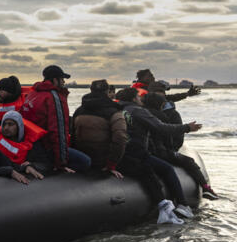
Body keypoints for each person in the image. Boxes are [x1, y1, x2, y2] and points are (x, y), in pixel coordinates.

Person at [117, 87, 202, 220]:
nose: (141, 99)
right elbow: (161, 128)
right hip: (136, 153)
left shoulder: (117, 109)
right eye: (139, 97)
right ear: (134, 99)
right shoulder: (138, 111)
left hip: (119, 155)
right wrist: (187, 128)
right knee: (167, 169)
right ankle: (182, 204)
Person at [142, 90, 218, 200]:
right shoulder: (161, 116)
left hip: (143, 151)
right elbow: (167, 135)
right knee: (189, 161)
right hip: (158, 152)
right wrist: (172, 150)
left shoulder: (139, 113)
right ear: (159, 105)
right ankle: (206, 188)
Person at [22, 65, 91, 173]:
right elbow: (58, 131)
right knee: (86, 162)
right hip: (47, 148)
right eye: (62, 79)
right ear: (55, 80)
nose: (64, 82)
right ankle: (49, 168)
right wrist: (61, 163)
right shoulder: (54, 97)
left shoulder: (33, 94)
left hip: (32, 146)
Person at [71, 79, 128, 179]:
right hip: (102, 162)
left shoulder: (79, 110)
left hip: (82, 158)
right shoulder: (114, 112)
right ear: (107, 91)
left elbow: (71, 132)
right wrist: (112, 164)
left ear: (90, 90)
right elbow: (120, 138)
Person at [0, 111, 46, 179]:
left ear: (19, 126)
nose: (6, 128)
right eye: (4, 124)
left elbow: (45, 164)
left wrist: (32, 165)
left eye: (10, 124)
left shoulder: (33, 145)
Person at [133, 68, 201, 102]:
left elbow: (167, 98)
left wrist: (187, 94)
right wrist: (187, 94)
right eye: (150, 76)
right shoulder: (140, 91)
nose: (153, 78)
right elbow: (167, 98)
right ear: (143, 78)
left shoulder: (142, 88)